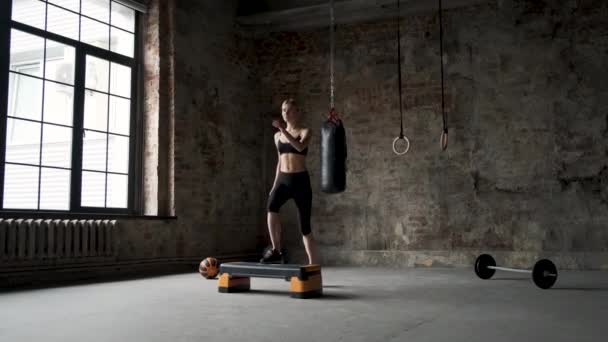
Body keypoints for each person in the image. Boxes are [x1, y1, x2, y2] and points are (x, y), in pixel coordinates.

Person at [261, 98, 318, 265]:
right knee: (271, 207)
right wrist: (274, 186)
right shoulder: (277, 136)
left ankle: (313, 265)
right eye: (284, 110)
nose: (286, 113)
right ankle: (276, 249)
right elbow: (280, 161)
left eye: (290, 110)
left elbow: (300, 147)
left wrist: (282, 129)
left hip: (300, 181)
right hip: (283, 180)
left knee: (305, 227)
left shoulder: (305, 131)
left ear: (297, 112)